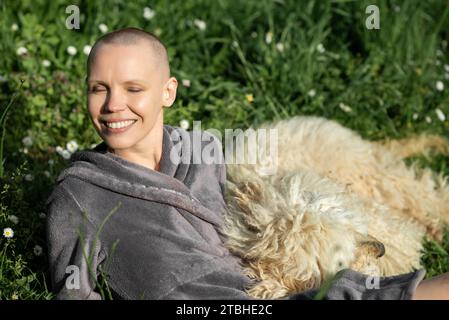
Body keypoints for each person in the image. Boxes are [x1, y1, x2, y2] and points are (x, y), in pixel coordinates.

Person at [45, 27, 449, 300]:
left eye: (133, 88)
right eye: (99, 89)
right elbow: (73, 287)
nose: (114, 104)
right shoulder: (80, 192)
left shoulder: (198, 151)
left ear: (168, 93)